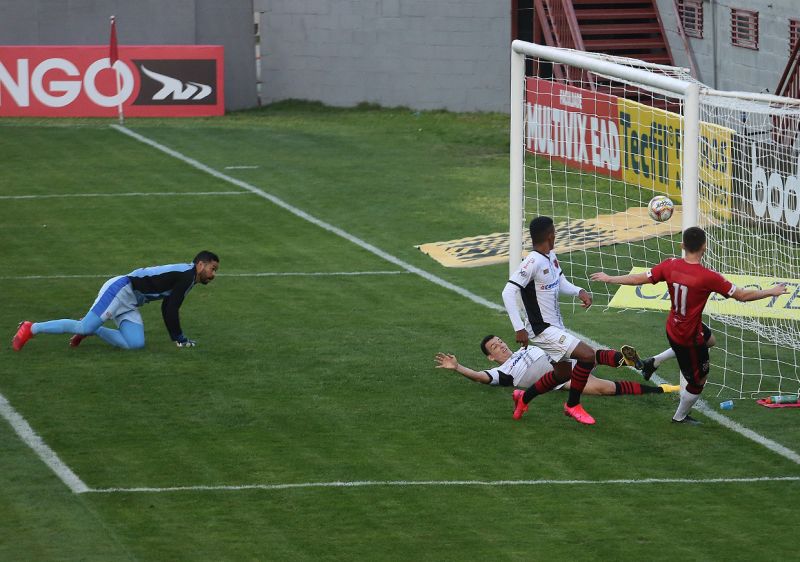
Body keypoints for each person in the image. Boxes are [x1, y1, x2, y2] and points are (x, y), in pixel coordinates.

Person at [591, 227, 787, 424]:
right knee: (698, 380)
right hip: (688, 337)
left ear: (682, 245)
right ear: (705, 247)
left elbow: (637, 278)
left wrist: (610, 278)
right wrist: (772, 291)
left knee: (710, 340)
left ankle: (653, 362)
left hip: (674, 327)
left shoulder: (670, 265)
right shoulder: (709, 277)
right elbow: (743, 296)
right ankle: (680, 417)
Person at [501, 216, 644, 426]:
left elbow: (559, 281)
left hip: (555, 327)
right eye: (554, 232)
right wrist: (519, 328)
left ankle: (524, 398)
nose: (556, 234)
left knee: (562, 374)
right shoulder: (531, 262)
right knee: (587, 356)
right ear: (549, 235)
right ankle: (572, 405)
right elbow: (508, 292)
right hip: (542, 330)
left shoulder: (550, 256)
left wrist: (579, 291)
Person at [12, 251, 219, 351]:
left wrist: (178, 337)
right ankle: (31, 328)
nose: (214, 274)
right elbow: (172, 307)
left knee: (135, 344)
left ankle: (95, 330)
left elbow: (168, 306)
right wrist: (180, 338)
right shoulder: (187, 276)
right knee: (84, 326)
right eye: (212, 269)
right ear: (200, 265)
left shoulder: (189, 277)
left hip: (130, 301)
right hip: (120, 290)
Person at [434, 335, 680, 412]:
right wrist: (458, 368)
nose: (501, 345)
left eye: (500, 340)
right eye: (495, 347)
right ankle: (660, 387)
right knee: (605, 388)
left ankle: (634, 363)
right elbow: (480, 377)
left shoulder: (525, 347)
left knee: (592, 354)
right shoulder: (502, 371)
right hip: (563, 380)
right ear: (490, 357)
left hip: (564, 361)